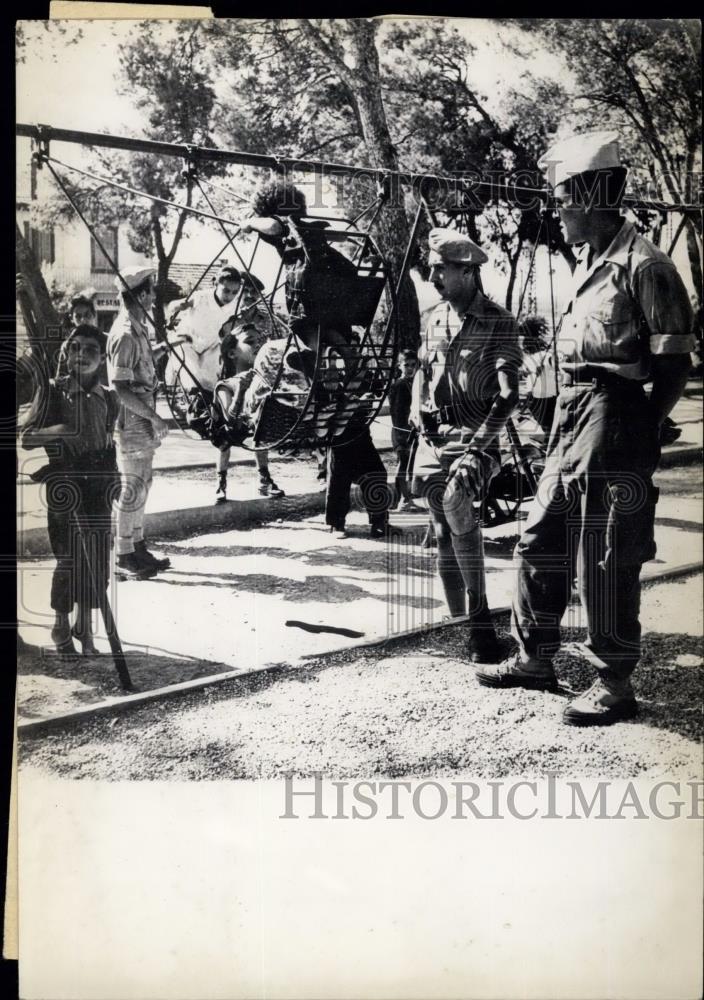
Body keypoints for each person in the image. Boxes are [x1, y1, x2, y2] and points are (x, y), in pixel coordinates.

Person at [476, 131, 695, 725]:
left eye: (563, 200)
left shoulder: (645, 265)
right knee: (540, 535)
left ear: (593, 197)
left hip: (615, 413)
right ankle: (535, 657)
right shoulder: (588, 265)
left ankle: (613, 683)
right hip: (571, 414)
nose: (557, 212)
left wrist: (644, 426)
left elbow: (675, 360)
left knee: (604, 553)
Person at [409, 228, 521, 662]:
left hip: (476, 439)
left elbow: (509, 394)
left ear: (468, 271)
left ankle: (480, 627)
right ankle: (461, 623)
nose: (433, 277)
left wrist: (479, 447)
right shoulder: (434, 317)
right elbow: (421, 368)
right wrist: (417, 407)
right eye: (431, 269)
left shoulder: (498, 321)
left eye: (442, 269)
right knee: (441, 535)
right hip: (433, 439)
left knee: (458, 506)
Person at [20, 325, 120, 654]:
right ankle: (60, 625)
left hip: (99, 482)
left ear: (103, 357)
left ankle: (85, 629)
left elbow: (107, 442)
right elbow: (28, 438)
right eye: (74, 348)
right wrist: (62, 429)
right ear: (65, 353)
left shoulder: (110, 397)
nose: (81, 355)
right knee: (69, 558)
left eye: (90, 349)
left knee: (98, 556)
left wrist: (114, 478)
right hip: (66, 481)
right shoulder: (53, 391)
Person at [107, 265, 171, 580]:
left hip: (141, 415)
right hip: (132, 419)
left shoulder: (139, 328)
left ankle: (138, 545)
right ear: (142, 294)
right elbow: (120, 388)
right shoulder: (125, 333)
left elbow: (139, 370)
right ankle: (123, 554)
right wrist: (155, 417)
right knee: (131, 488)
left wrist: (163, 349)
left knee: (144, 484)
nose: (154, 295)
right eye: (152, 290)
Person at [388, 350, 422, 511]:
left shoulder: (414, 382)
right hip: (402, 431)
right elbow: (397, 413)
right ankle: (403, 498)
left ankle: (404, 498)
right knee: (403, 464)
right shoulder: (399, 385)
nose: (410, 368)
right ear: (399, 366)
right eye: (406, 365)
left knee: (409, 465)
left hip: (413, 431)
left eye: (413, 365)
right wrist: (404, 433)